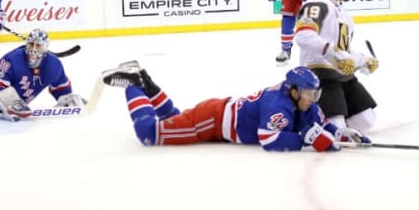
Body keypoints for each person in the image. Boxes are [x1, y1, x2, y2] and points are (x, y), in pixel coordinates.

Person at [102, 63, 370, 151]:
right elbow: (269, 138)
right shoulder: (279, 104)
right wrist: (305, 139)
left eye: (315, 93)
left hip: (216, 113)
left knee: (175, 118)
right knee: (150, 134)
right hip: (213, 121)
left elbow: (320, 124)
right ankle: (134, 85)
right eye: (310, 93)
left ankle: (147, 83)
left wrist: (340, 133)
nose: (313, 98)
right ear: (294, 90)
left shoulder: (304, 102)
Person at [294, 0, 380, 131]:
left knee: (366, 121)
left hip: (343, 77)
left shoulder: (344, 14)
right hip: (320, 74)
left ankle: (327, 117)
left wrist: (363, 61)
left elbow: (344, 51)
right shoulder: (316, 3)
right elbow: (303, 36)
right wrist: (335, 55)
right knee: (336, 128)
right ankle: (308, 119)